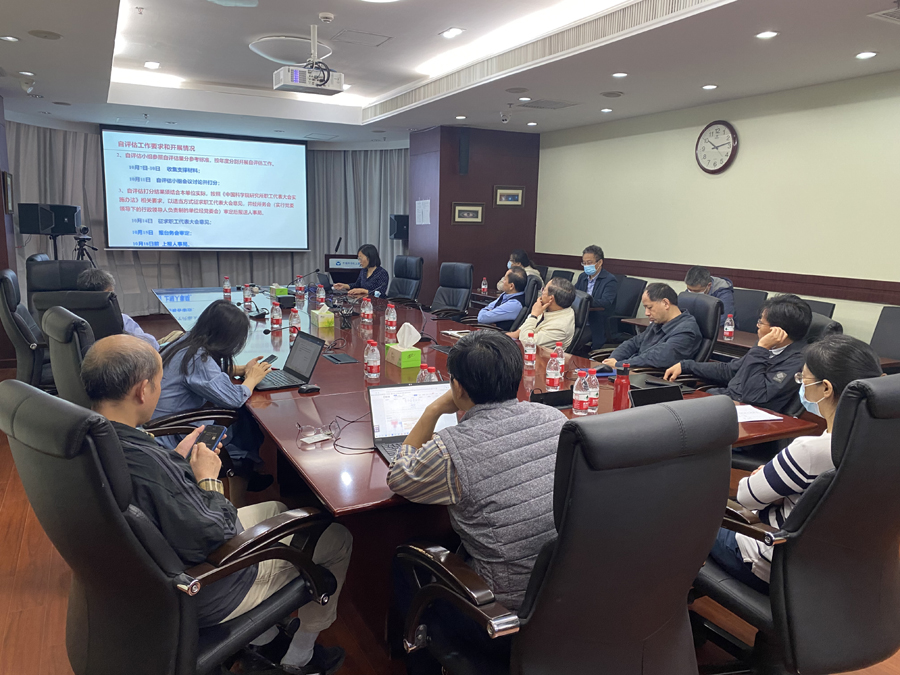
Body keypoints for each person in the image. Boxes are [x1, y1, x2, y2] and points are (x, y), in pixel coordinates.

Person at [81, 335, 351, 674]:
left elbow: (163, 495)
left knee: (276, 510)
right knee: (338, 538)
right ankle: (300, 657)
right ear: (142, 390)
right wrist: (207, 478)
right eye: (160, 382)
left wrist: (176, 461)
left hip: (155, 568)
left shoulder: (92, 439)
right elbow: (218, 532)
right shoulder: (147, 468)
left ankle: (264, 639)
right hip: (210, 580)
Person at [388, 330, 567, 611]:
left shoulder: (450, 450)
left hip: (502, 604)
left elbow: (399, 477)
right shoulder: (555, 419)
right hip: (562, 583)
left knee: (403, 559)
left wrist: (433, 410)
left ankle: (420, 637)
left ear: (457, 388)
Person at [709, 334, 882, 591]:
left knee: (688, 516)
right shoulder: (884, 445)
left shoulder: (811, 451)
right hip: (841, 570)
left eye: (803, 379)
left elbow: (746, 497)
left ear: (826, 388)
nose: (800, 385)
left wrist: (774, 484)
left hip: (772, 562)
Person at [152, 299, 274, 491]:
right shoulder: (197, 358)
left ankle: (250, 467)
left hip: (159, 425)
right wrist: (252, 378)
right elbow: (234, 398)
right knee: (242, 417)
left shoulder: (186, 341)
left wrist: (242, 369)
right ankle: (243, 469)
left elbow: (204, 376)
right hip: (173, 434)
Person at [663, 294, 812, 414]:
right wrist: (687, 365)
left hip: (749, 418)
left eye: (761, 322)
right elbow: (730, 370)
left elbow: (755, 396)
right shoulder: (765, 348)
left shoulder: (798, 362)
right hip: (724, 402)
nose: (757, 326)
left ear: (777, 330)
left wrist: (761, 350)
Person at [602, 283, 701, 369]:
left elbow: (657, 358)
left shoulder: (686, 331)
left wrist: (619, 365)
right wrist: (613, 359)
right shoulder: (659, 322)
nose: (646, 313)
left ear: (666, 303)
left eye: (649, 307)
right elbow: (633, 343)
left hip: (654, 378)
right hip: (635, 371)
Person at [76, 268, 160, 349]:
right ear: (108, 293)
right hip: (132, 353)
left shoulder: (72, 318)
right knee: (168, 340)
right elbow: (152, 346)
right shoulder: (121, 320)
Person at [507, 277, 576, 350]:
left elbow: (526, 342)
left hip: (533, 353)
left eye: (544, 290)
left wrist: (534, 315)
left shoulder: (560, 327)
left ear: (551, 298)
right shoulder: (552, 307)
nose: (541, 293)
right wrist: (514, 334)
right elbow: (528, 326)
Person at [573, 245, 618, 350]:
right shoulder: (583, 277)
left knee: (576, 342)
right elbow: (575, 294)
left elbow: (606, 302)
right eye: (584, 263)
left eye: (589, 263)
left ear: (600, 262)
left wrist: (586, 301)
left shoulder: (609, 280)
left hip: (597, 320)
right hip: (580, 317)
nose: (586, 266)